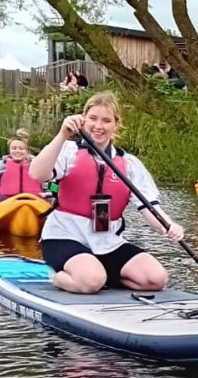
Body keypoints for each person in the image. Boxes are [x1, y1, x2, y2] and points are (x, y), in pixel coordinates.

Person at [28, 91, 185, 295]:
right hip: (65, 237)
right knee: (92, 281)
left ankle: (102, 275)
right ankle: (59, 278)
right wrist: (62, 135)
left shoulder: (129, 164)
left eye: (106, 120)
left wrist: (169, 226)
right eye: (92, 118)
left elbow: (149, 207)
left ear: (115, 125)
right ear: (83, 119)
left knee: (155, 279)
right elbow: (37, 173)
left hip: (107, 241)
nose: (98, 126)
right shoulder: (68, 150)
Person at [0, 130, 46, 200]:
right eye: (14, 148)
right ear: (9, 150)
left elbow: (46, 185)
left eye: (21, 149)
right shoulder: (1, 166)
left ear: (27, 151)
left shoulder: (36, 166)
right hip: (6, 202)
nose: (17, 151)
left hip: (33, 202)